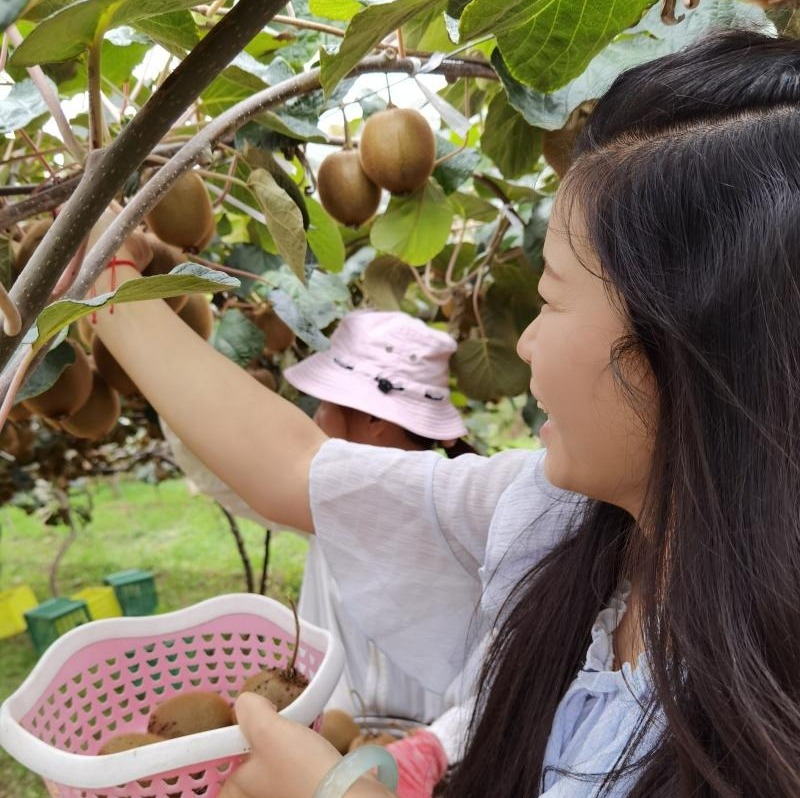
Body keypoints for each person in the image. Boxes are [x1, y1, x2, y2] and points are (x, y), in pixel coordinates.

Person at [89, 29, 800, 798]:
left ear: (683, 345)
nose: (524, 341)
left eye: (552, 297)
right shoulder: (555, 518)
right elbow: (293, 466)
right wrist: (108, 283)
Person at [160, 309, 479, 793]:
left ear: (372, 418)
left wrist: (433, 748)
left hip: (441, 772)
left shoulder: (468, 523)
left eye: (325, 404)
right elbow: (220, 474)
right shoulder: (327, 508)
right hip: (325, 753)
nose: (316, 418)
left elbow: (515, 672)